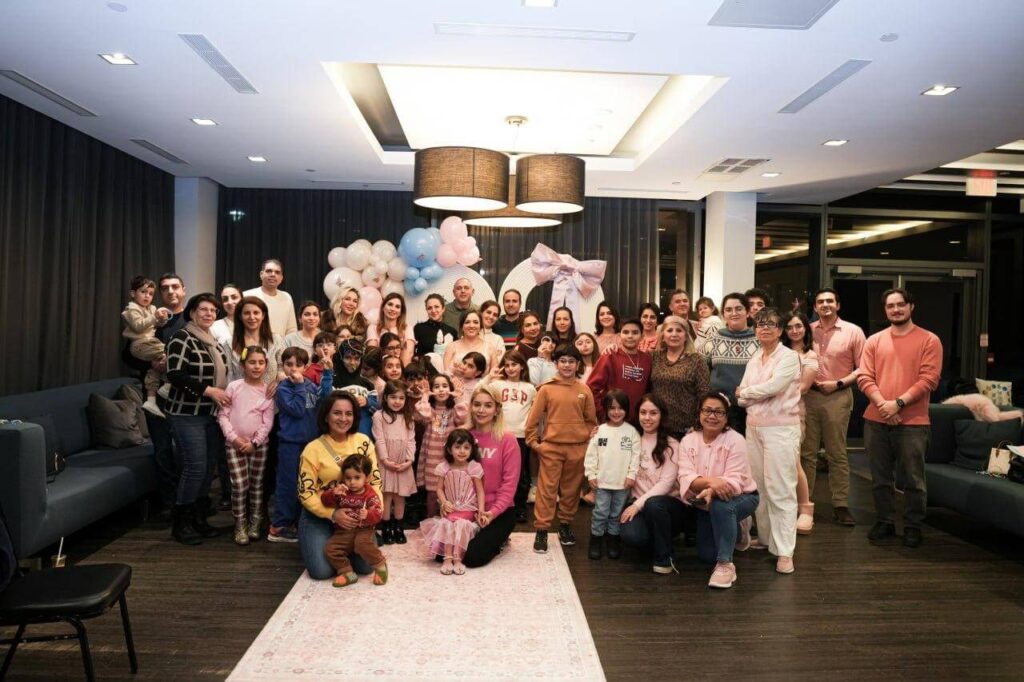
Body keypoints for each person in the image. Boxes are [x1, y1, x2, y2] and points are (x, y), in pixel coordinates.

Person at [857, 288, 942, 548]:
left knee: (914, 479)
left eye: (900, 304)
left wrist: (898, 404)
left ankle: (913, 525)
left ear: (911, 306)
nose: (896, 309)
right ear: (885, 310)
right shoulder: (874, 341)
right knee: (880, 478)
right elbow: (864, 377)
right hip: (876, 419)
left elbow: (929, 379)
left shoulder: (929, 340)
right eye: (890, 306)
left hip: (913, 423)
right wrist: (884, 406)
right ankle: (885, 521)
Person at [736, 307, 801, 574]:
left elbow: (774, 387)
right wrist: (750, 394)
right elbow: (740, 398)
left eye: (771, 324)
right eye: (760, 324)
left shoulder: (789, 357)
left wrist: (748, 393)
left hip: (781, 430)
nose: (764, 328)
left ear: (780, 330)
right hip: (754, 428)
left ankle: (785, 551)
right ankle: (766, 539)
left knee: (781, 489)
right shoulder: (754, 358)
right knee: (758, 486)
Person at [164, 293, 230, 545]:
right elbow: (175, 374)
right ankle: (181, 524)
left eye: (213, 310)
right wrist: (209, 391)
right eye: (203, 309)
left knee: (208, 469)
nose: (209, 314)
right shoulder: (182, 337)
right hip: (186, 414)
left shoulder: (213, 341)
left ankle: (199, 519)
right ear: (192, 312)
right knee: (195, 468)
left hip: (211, 414)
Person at [676, 392, 760, 589]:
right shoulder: (688, 440)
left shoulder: (736, 440)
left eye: (718, 412)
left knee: (723, 506)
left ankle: (725, 565)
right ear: (699, 413)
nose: (712, 416)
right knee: (706, 556)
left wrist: (712, 489)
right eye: (707, 410)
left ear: (726, 416)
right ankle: (736, 530)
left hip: (742, 496)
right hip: (706, 502)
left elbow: (734, 480)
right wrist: (713, 484)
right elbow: (685, 476)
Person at [297, 392, 381, 581]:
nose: (343, 419)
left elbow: (375, 482)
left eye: (348, 413)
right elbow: (305, 493)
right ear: (326, 416)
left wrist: (373, 512)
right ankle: (320, 541)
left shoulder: (364, 442)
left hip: (356, 516)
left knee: (366, 567)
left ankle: (344, 546)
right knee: (321, 572)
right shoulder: (312, 449)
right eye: (337, 413)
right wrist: (333, 514)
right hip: (320, 515)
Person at [803, 288, 866, 528]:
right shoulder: (807, 330)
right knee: (806, 453)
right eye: (820, 301)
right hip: (808, 396)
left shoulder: (853, 331)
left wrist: (838, 383)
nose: (825, 305)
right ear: (815, 307)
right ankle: (805, 503)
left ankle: (840, 505)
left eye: (830, 301)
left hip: (838, 395)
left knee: (836, 453)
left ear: (838, 305)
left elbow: (863, 367)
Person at [525, 345, 598, 553]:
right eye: (563, 361)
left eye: (571, 361)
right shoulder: (546, 389)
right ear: (556, 364)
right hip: (551, 449)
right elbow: (532, 421)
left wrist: (584, 442)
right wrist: (535, 444)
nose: (567, 365)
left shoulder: (584, 390)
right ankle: (541, 529)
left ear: (578, 365)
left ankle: (565, 525)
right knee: (546, 490)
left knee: (571, 491)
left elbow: (591, 421)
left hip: (577, 449)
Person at [271, 347, 334, 543]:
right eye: (289, 364)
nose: (293, 369)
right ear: (282, 366)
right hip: (290, 443)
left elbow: (325, 398)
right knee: (288, 484)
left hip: (310, 444)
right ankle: (279, 525)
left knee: (306, 483)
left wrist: (328, 373)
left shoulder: (309, 385)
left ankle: (298, 521)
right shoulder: (283, 389)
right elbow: (298, 410)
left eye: (298, 365)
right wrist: (299, 386)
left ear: (306, 367)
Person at [619, 394, 687, 574]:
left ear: (661, 415)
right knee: (633, 536)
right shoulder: (631, 438)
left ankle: (664, 558)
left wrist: (636, 506)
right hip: (639, 505)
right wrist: (598, 434)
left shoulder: (672, 444)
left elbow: (666, 484)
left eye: (653, 413)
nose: (647, 418)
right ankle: (658, 537)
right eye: (643, 412)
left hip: (667, 507)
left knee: (653, 503)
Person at [216, 346, 275, 545]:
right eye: (252, 362)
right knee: (240, 485)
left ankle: (255, 521)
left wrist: (255, 442)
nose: (256, 366)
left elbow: (268, 422)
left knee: (256, 484)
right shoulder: (234, 387)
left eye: (261, 362)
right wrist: (234, 438)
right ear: (243, 365)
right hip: (234, 445)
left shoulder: (267, 390)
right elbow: (223, 416)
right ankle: (240, 523)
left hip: (258, 446)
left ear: (266, 365)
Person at [463, 385, 521, 568]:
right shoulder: (464, 436)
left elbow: (509, 485)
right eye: (477, 404)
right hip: (467, 507)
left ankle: (499, 541)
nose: (481, 410)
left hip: (498, 511)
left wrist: (492, 513)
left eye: (488, 405)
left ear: (496, 410)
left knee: (472, 558)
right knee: (443, 553)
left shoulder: (507, 439)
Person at [417, 429, 486, 575]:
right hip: (452, 508)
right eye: (457, 447)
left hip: (468, 508)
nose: (462, 451)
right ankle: (447, 559)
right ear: (449, 449)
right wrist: (443, 502)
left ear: (472, 449)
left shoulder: (473, 467)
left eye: (466, 447)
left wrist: (481, 510)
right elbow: (439, 489)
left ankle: (458, 558)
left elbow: (480, 491)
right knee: (447, 524)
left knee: (460, 525)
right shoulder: (444, 467)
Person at [585, 389, 641, 560]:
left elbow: (636, 456)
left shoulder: (631, 432)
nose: (616, 412)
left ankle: (613, 539)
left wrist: (631, 475)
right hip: (602, 483)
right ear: (606, 409)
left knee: (616, 514)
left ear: (627, 409)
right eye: (612, 408)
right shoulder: (599, 431)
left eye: (620, 408)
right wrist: (591, 474)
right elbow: (591, 455)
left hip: (622, 484)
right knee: (600, 512)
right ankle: (596, 539)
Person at [482, 350, 536, 524]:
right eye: (507, 365)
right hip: (499, 434)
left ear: (522, 366)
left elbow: (536, 413)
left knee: (520, 474)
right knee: (497, 471)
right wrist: (489, 377)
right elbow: (478, 392)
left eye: (514, 364)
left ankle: (519, 507)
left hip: (520, 436)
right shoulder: (497, 385)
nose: (510, 368)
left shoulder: (530, 388)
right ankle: (498, 504)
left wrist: (534, 433)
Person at [320, 455, 388, 588]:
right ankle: (347, 573)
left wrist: (368, 514)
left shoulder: (370, 494)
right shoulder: (341, 490)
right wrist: (333, 493)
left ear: (367, 478)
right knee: (331, 548)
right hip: (343, 530)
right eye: (348, 478)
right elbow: (325, 501)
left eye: (357, 478)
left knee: (362, 544)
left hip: (364, 529)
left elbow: (378, 513)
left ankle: (380, 565)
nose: (352, 482)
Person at [781, 311, 820, 535]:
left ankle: (806, 509)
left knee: (794, 462)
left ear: (806, 329)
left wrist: (769, 391)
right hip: (770, 414)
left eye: (798, 326)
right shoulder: (779, 351)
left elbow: (803, 388)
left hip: (794, 412)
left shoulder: (810, 355)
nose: (794, 331)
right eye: (789, 327)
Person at [701, 293, 758, 434]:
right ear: (723, 315)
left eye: (739, 309)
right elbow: (700, 372)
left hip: (753, 408)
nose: (734, 313)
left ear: (748, 312)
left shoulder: (759, 340)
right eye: (728, 310)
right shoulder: (713, 339)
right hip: (719, 411)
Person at [414, 373, 468, 517]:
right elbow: (423, 414)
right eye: (436, 387)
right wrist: (425, 396)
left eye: (445, 386)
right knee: (432, 494)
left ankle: (449, 521)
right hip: (431, 458)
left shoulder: (453, 410)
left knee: (449, 492)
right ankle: (431, 521)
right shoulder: (429, 410)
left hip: (449, 458)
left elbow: (463, 418)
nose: (441, 389)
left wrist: (458, 397)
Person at [649, 315, 710, 438]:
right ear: (663, 336)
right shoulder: (654, 357)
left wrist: (698, 424)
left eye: (679, 330)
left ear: (686, 336)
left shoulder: (696, 360)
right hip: (657, 425)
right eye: (669, 330)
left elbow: (704, 395)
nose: (674, 334)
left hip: (686, 428)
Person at [373, 380, 417, 545]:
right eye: (393, 397)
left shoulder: (408, 417)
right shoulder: (379, 416)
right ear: (385, 398)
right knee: (387, 495)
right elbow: (379, 439)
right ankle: (386, 527)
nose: (397, 401)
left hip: (403, 462)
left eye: (401, 398)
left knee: (400, 496)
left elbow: (411, 440)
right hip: (386, 462)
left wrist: (409, 460)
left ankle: (399, 527)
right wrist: (385, 460)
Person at [121, 275, 170, 416]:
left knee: (154, 369)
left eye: (150, 293)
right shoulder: (132, 309)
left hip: (149, 343)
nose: (147, 296)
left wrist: (162, 319)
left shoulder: (152, 308)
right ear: (133, 294)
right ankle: (167, 385)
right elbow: (138, 326)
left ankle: (151, 400)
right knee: (171, 352)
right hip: (140, 344)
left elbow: (156, 325)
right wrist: (155, 317)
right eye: (143, 292)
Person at [587, 318, 652, 423]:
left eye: (635, 332)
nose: (630, 336)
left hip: (640, 421)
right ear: (619, 335)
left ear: (642, 336)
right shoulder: (610, 356)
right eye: (625, 332)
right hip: (613, 420)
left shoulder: (647, 359)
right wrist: (603, 414)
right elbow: (591, 388)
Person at [224, 296, 287, 394]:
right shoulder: (230, 344)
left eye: (256, 313)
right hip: (241, 399)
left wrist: (278, 382)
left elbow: (282, 367)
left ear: (263, 315)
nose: (252, 317)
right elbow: (229, 376)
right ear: (240, 316)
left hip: (271, 399)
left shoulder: (276, 340)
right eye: (247, 313)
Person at [332, 339, 377, 436]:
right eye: (348, 358)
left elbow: (376, 409)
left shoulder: (367, 384)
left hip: (363, 435)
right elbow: (325, 405)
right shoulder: (332, 381)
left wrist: (367, 402)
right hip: (340, 436)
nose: (352, 362)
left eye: (356, 358)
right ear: (340, 358)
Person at [244, 258, 297, 337]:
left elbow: (291, 329)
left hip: (281, 344)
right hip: (252, 344)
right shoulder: (247, 296)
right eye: (269, 271)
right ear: (261, 274)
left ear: (281, 278)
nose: (273, 274)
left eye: (277, 272)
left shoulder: (287, 297)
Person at [367, 292, 415, 365]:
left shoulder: (407, 328)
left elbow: (408, 354)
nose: (393, 309)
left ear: (400, 312)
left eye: (397, 307)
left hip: (401, 368)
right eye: (390, 304)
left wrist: (398, 370)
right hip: (380, 367)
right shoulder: (373, 327)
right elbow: (372, 354)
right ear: (383, 307)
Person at [443, 310, 491, 375]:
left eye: (476, 322)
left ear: (481, 326)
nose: (471, 325)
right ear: (462, 326)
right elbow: (445, 374)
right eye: (467, 322)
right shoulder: (451, 347)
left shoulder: (490, 347)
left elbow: (495, 376)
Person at [413, 293, 457, 359]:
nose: (433, 311)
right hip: (423, 365)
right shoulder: (418, 328)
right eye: (429, 308)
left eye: (436, 307)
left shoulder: (452, 331)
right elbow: (413, 353)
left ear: (443, 308)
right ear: (426, 310)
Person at [478, 300, 508, 364]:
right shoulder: (470, 334)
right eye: (488, 312)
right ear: (481, 313)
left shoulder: (498, 339)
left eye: (495, 315)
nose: (491, 317)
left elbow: (500, 362)